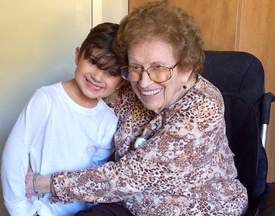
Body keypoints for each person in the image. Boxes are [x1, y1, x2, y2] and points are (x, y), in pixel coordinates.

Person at [25, 2, 248, 215]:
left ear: (186, 67)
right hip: (129, 204)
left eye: (158, 68)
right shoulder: (127, 89)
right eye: (136, 67)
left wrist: (44, 184)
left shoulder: (203, 106)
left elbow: (130, 177)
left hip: (197, 207)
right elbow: (82, 122)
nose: (144, 82)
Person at [1, 22, 125, 216]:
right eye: (93, 62)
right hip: (37, 210)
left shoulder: (108, 120)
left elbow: (94, 175)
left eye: (111, 73)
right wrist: (20, 210)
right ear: (77, 56)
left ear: (121, 82)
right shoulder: (47, 99)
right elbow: (14, 155)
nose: (98, 77)